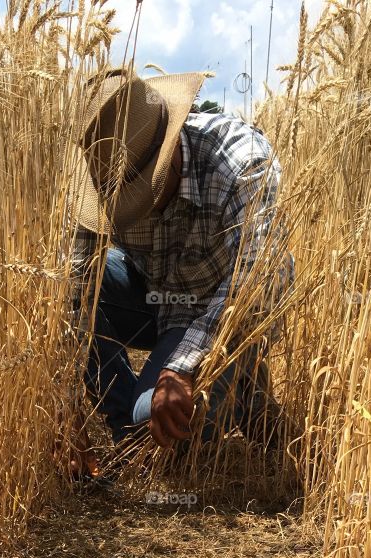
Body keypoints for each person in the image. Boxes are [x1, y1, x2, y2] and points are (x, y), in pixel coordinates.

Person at [70, 67, 293, 463]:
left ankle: (234, 384)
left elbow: (256, 282)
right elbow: (73, 282)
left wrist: (182, 367)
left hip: (223, 306)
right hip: (152, 299)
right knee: (77, 293)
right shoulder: (103, 173)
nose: (135, 209)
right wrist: (64, 409)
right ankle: (132, 433)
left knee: (161, 426)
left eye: (144, 193)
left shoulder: (242, 165)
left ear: (171, 150)